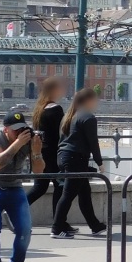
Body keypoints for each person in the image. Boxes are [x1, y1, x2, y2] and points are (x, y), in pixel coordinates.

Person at [0, 112, 43, 262]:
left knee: (25, 229)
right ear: (6, 129)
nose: (20, 132)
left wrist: (36, 151)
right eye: (16, 130)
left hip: (15, 188)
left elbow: (38, 171)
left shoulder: (27, 139)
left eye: (22, 128)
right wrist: (17, 144)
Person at [51, 88, 107, 239]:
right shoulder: (88, 118)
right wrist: (100, 163)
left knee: (84, 192)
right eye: (95, 99)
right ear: (89, 100)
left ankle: (95, 225)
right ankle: (56, 228)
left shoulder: (69, 116)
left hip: (63, 157)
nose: (96, 103)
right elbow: (93, 143)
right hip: (76, 159)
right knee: (68, 194)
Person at [26, 77, 67, 220]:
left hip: (39, 153)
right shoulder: (56, 109)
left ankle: (15, 209)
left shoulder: (39, 109)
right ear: (54, 90)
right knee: (60, 187)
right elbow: (61, 134)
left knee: (40, 187)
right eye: (60, 87)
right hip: (53, 155)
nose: (62, 90)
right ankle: (58, 223)